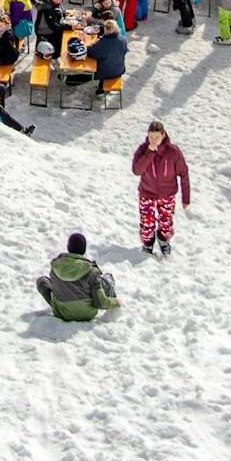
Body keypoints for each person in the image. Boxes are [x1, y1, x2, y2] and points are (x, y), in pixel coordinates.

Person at [132, 122, 190, 255]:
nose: (154, 140)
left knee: (166, 221)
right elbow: (136, 170)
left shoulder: (173, 152)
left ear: (163, 135)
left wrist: (186, 198)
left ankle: (164, 240)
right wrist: (149, 153)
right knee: (147, 222)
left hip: (167, 194)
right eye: (151, 137)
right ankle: (148, 243)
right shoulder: (143, 149)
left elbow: (184, 173)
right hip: (147, 193)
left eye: (157, 137)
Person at [36, 232, 118, 322]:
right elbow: (100, 302)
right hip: (87, 314)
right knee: (103, 280)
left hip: (62, 313)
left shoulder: (56, 266)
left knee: (42, 281)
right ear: (84, 249)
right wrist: (115, 303)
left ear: (68, 247)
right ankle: (111, 292)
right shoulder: (91, 270)